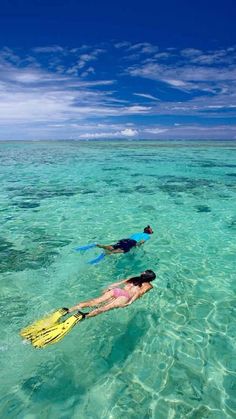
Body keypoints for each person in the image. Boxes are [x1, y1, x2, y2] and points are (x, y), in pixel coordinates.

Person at [68, 269, 156, 318]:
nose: (142, 271)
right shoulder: (148, 286)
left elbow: (119, 283)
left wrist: (109, 288)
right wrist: (130, 302)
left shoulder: (134, 278)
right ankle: (83, 316)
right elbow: (138, 293)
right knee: (105, 308)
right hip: (125, 297)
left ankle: (70, 310)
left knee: (95, 302)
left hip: (117, 291)